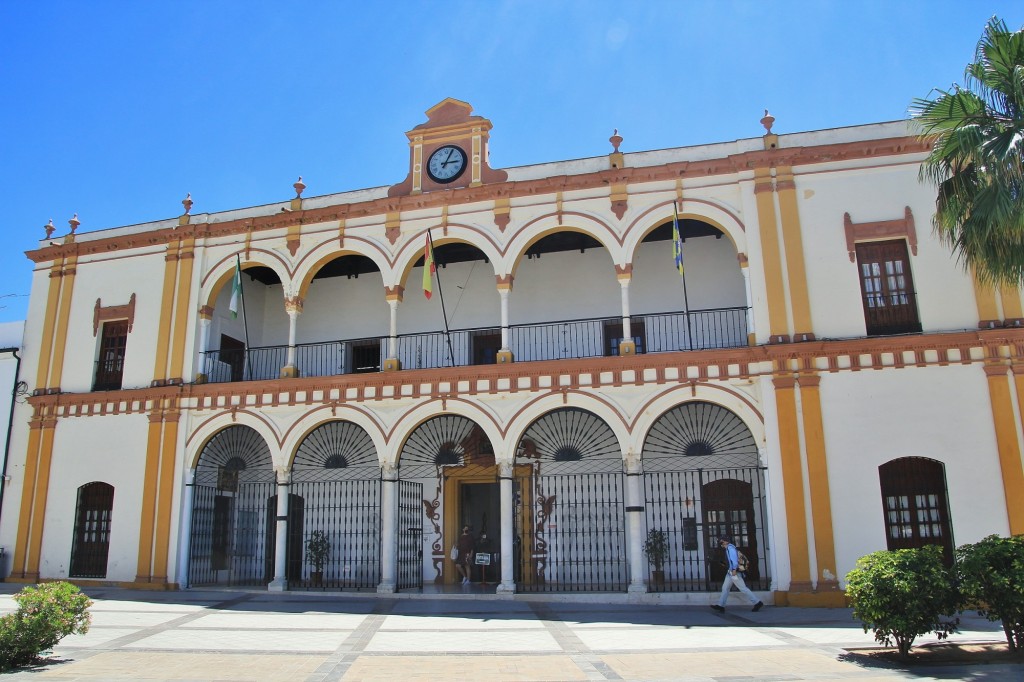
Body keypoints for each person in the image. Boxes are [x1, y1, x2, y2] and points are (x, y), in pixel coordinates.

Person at [711, 536, 763, 613]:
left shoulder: (730, 548)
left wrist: (734, 569)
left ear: (725, 542)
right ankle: (721, 605)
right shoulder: (729, 548)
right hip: (730, 572)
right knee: (725, 588)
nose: (720, 543)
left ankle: (757, 602)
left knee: (743, 588)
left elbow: (734, 561)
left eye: (721, 541)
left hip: (734, 572)